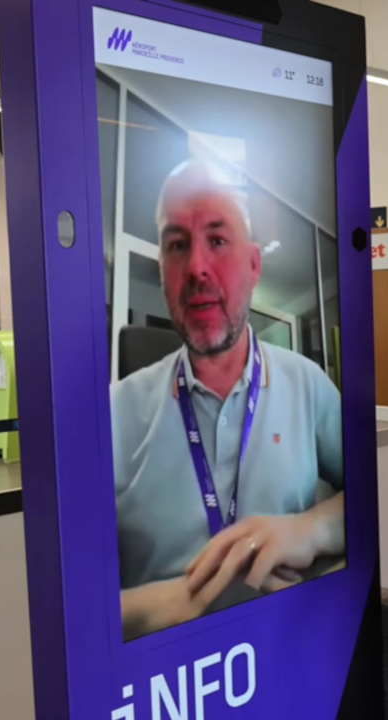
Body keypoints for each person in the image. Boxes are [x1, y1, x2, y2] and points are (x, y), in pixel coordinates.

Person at [112, 158, 345, 640]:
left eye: (217, 240)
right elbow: (68, 606)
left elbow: (372, 499)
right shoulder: (114, 414)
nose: (196, 266)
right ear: (162, 269)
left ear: (255, 264)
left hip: (285, 657)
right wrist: (177, 601)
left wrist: (309, 529)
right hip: (165, 693)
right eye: (177, 244)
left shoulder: (307, 384)